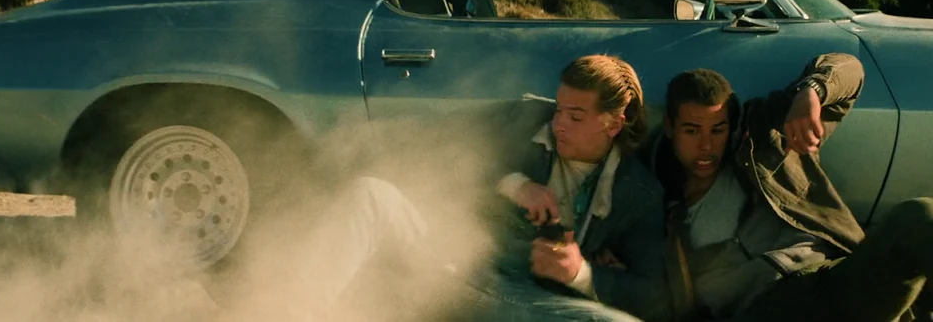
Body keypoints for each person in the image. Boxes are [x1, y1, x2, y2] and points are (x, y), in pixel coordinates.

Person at [187, 54, 667, 322]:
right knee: (372, 195)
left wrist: (581, 273)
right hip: (448, 263)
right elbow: (450, 154)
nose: (558, 123)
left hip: (525, 301)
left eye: (575, 116)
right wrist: (515, 184)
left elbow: (655, 296)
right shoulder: (527, 118)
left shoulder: (638, 192)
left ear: (613, 123)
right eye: (559, 109)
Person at [632, 53, 933, 322]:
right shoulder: (650, 198)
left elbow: (850, 69)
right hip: (760, 311)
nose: (706, 146)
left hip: (830, 281)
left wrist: (811, 93)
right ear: (669, 128)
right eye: (692, 131)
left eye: (717, 130)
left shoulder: (767, 139)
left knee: (920, 215)